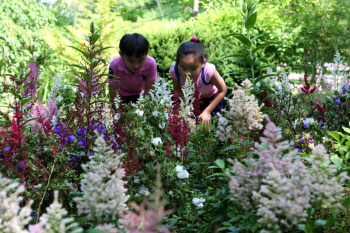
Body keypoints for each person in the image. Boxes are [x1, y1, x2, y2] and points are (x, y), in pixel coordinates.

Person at [169, 35, 227, 124]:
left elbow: (223, 90)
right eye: (184, 68)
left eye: (193, 68)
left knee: (211, 123)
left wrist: (207, 111)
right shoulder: (175, 71)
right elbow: (177, 89)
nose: (188, 73)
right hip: (192, 100)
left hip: (212, 100)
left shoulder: (208, 71)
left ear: (203, 63)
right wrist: (187, 107)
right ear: (178, 63)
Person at [108, 33, 157, 109]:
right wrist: (117, 109)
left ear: (147, 53)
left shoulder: (151, 63)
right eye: (131, 61)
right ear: (121, 55)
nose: (136, 65)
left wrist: (143, 108)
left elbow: (149, 89)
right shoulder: (115, 64)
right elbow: (112, 90)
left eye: (141, 60)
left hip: (142, 95)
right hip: (122, 96)